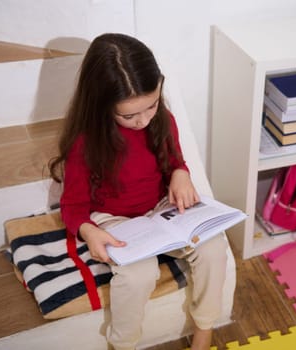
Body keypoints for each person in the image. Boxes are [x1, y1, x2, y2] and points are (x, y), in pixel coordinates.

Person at [48, 33, 227, 350]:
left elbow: (174, 160)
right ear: (101, 105)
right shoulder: (85, 143)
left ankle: (204, 329)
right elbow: (73, 207)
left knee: (213, 247)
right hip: (114, 219)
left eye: (152, 106)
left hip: (161, 209)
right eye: (129, 115)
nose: (144, 121)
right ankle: (124, 344)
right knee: (137, 275)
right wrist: (89, 231)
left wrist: (181, 174)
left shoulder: (162, 119)